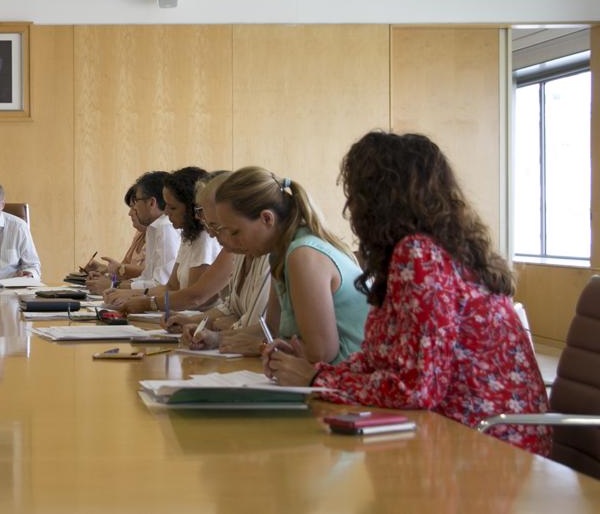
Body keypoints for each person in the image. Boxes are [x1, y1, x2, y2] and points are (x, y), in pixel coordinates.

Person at [265, 132, 550, 455]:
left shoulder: (420, 255)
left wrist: (317, 379)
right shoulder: (431, 251)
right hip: (468, 432)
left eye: (355, 195)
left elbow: (416, 389)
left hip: (487, 445)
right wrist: (316, 372)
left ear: (379, 200)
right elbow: (381, 362)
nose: (350, 207)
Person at [212, 166, 368, 365]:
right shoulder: (279, 255)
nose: (231, 242)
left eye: (235, 232)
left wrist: (261, 348)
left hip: (344, 379)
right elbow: (271, 329)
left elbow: (320, 354)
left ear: (267, 218)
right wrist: (218, 339)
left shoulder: (303, 255)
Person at [169, 172, 272, 356]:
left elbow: (259, 327)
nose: (213, 234)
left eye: (221, 227)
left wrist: (215, 330)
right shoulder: (242, 250)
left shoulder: (272, 253)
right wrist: (203, 322)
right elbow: (231, 308)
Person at [106, 168, 231, 314]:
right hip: (186, 318)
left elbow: (194, 298)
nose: (165, 212)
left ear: (190, 208)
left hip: (190, 317)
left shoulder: (205, 239)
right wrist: (130, 294)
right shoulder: (188, 236)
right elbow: (170, 287)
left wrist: (145, 302)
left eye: (172, 207)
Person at [124, 170, 181, 291]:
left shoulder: (166, 228)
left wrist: (115, 286)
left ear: (151, 202)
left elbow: (162, 283)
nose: (134, 208)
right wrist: (115, 285)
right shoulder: (153, 228)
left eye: (136, 201)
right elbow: (147, 277)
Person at [84, 185, 146, 294]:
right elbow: (123, 270)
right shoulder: (139, 234)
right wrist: (104, 271)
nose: (130, 213)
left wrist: (112, 281)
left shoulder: (164, 232)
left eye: (134, 208)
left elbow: (146, 276)